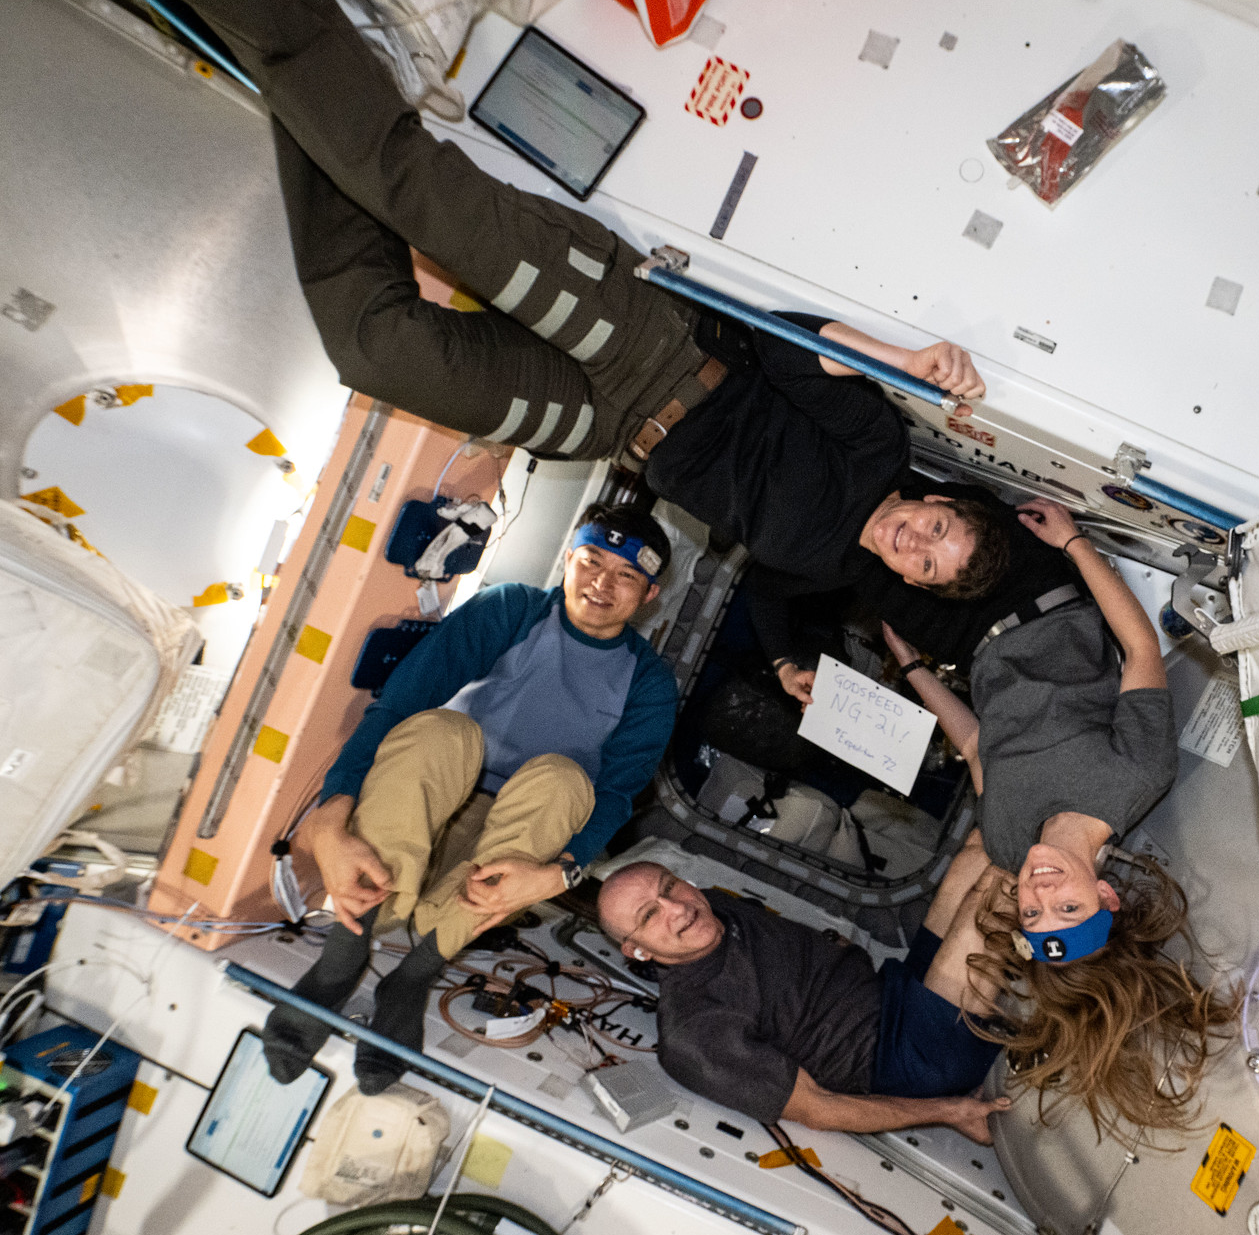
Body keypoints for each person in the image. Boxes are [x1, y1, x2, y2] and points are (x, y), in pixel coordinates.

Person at [181, 0, 1008, 599]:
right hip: (654, 343)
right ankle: (305, 45)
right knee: (414, 191)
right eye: (938, 527)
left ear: (913, 579)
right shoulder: (878, 451)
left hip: (607, 429)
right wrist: (898, 360)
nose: (915, 542)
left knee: (374, 350)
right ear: (939, 499)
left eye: (926, 563)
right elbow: (786, 347)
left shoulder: (828, 567)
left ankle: (319, 66)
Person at [264, 503, 678, 1094]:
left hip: (516, 837)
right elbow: (398, 707)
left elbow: (617, 794)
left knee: (568, 779)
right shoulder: (511, 609)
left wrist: (560, 875)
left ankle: (412, 976)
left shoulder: (649, 682)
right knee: (441, 730)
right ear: (568, 559)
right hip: (427, 804)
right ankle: (343, 954)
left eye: (625, 576)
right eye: (590, 562)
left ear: (650, 595)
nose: (601, 584)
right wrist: (333, 813)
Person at [885, 500, 1232, 1135]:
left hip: (965, 643)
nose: (1040, 893)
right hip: (1036, 593)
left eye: (1032, 912)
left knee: (855, 561)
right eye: (1068, 907)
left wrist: (911, 670)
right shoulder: (1134, 779)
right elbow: (1137, 646)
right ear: (1106, 895)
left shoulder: (1010, 844)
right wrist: (1073, 542)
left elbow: (973, 744)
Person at [593, 835, 1012, 1142]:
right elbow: (819, 1110)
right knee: (999, 888)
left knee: (980, 849)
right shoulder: (697, 1032)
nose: (678, 908)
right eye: (650, 915)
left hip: (894, 993)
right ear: (636, 951)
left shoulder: (713, 910)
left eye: (669, 887)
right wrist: (952, 1111)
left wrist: (836, 951)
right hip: (913, 1058)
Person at [751, 478, 1082, 708]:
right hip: (1043, 596)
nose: (916, 541)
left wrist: (785, 667)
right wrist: (1076, 546)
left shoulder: (849, 560)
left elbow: (765, 588)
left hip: (964, 633)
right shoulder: (939, 524)